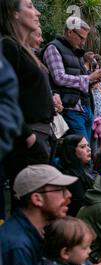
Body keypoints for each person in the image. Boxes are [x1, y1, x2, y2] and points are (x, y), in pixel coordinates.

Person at [1, 0, 56, 208]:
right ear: (13, 13)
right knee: (30, 206)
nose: (38, 13)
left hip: (41, 135)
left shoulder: (22, 49)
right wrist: (27, 135)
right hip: (29, 139)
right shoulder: (8, 46)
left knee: (39, 205)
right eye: (30, 6)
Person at [42, 16, 101, 142]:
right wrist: (88, 78)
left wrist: (93, 80)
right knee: (80, 154)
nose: (83, 42)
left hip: (85, 106)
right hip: (71, 108)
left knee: (87, 154)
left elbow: (77, 79)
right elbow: (59, 78)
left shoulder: (74, 51)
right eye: (81, 38)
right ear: (69, 32)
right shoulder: (53, 48)